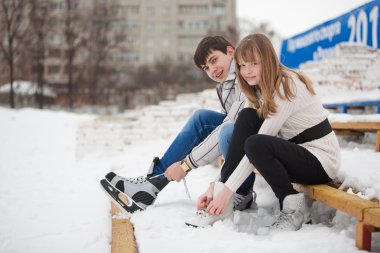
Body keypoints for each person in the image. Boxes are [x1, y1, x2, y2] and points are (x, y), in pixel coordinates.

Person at [192, 33, 341, 231]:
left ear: (268, 60)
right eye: (242, 65)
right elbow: (244, 138)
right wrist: (217, 187)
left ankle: (293, 208)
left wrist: (227, 191)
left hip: (321, 161)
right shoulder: (257, 89)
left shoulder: (287, 86)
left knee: (256, 144)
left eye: (253, 63)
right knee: (246, 118)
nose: (247, 71)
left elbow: (257, 147)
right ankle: (222, 207)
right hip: (296, 153)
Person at [102, 36, 256, 213]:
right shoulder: (224, 86)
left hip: (263, 141)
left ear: (230, 52)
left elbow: (231, 130)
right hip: (244, 139)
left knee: (228, 130)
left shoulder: (247, 76)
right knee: (201, 118)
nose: (212, 70)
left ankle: (240, 191)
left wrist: (186, 166)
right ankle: (151, 184)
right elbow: (229, 136)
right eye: (206, 68)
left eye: (214, 60)